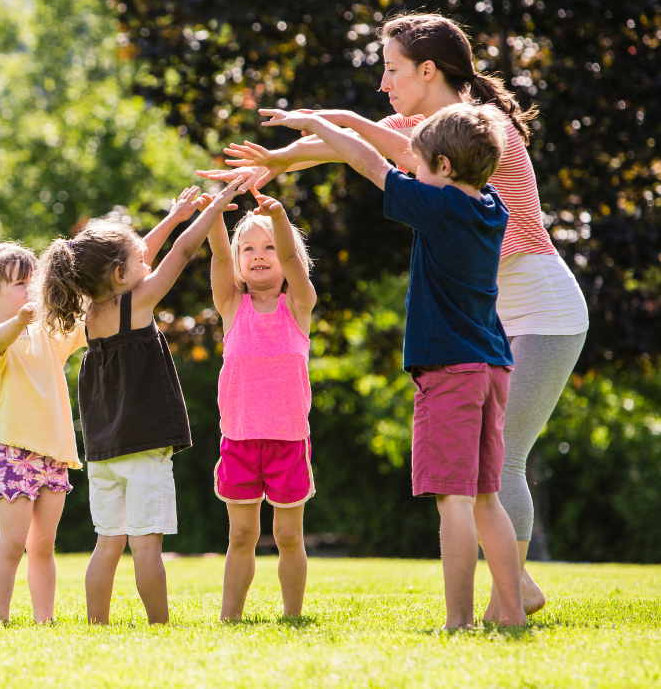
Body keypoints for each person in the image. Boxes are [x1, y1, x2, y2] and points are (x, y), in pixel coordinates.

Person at [203, 13, 587, 615]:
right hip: (486, 323)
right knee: (487, 472)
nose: (384, 83)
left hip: (541, 311)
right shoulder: (431, 135)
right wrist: (277, 159)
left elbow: (370, 152)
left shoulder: (479, 131)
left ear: (428, 70)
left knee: (500, 460)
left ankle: (508, 597)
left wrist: (325, 128)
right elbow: (342, 148)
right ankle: (516, 593)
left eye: (392, 69)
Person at [260, 102, 527, 629]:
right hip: (492, 365)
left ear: (444, 167)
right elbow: (408, 157)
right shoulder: (491, 205)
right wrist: (355, 128)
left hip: (450, 369)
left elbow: (370, 163)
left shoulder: (439, 207)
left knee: (452, 500)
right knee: (486, 497)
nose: (413, 169)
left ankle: (459, 620)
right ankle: (513, 613)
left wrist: (321, 125)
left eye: (422, 164)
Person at [38, 177, 251, 624]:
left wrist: (174, 217)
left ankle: (97, 624)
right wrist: (211, 211)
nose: (145, 261)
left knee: (108, 542)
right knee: (147, 545)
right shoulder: (137, 303)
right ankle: (159, 625)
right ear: (120, 274)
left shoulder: (92, 311)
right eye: (137, 260)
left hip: (104, 452)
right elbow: (181, 254)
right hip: (144, 445)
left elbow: (136, 258)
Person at [208, 193, 317, 621]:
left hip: (289, 442)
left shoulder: (299, 306)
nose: (259, 255)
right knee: (241, 535)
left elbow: (291, 256)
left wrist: (279, 217)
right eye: (248, 249)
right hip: (239, 441)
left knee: (288, 536)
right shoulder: (232, 307)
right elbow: (219, 255)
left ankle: (292, 615)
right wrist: (214, 214)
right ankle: (230, 617)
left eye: (269, 247)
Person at [0, 242, 86, 624]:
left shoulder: (45, 334)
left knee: (44, 545)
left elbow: (88, 319)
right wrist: (21, 320)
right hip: (14, 452)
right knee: (13, 544)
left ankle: (44, 621)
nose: (30, 290)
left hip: (55, 454)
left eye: (32, 283)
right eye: (20, 284)